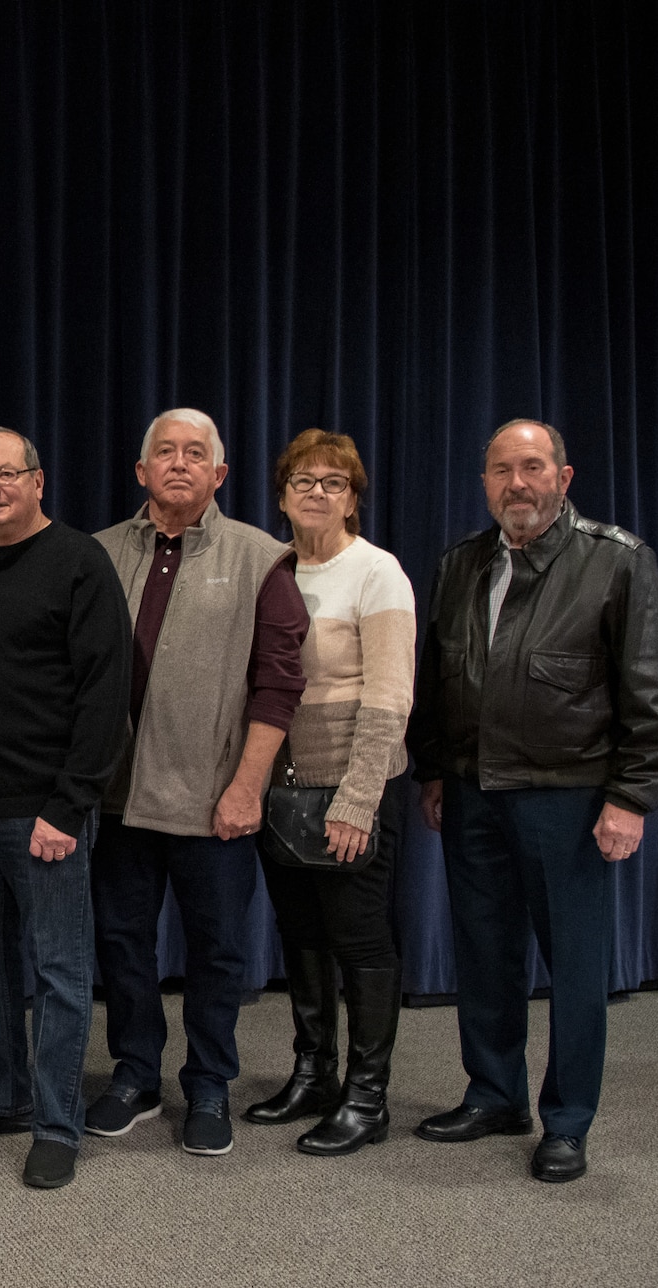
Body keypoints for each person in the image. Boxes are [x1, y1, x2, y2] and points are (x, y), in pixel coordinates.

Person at [411, 418, 658, 1184]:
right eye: (501, 470)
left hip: (569, 800)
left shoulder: (617, 561)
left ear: (564, 478)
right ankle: (495, 1093)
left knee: (575, 966)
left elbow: (654, 693)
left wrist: (631, 796)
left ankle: (567, 1119)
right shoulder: (462, 563)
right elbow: (438, 680)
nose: (517, 484)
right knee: (486, 955)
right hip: (473, 793)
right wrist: (434, 772)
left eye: (533, 467)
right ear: (486, 482)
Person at [89, 408, 309, 1156]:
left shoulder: (260, 557)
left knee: (216, 950)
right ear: (142, 471)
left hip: (215, 798)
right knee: (122, 943)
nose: (178, 463)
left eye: (196, 454)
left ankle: (210, 1080)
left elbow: (279, 685)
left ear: (218, 474)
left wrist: (247, 786)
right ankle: (135, 1073)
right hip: (118, 797)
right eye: (164, 452)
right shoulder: (97, 554)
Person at [0, 427, 132, 1189]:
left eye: (5, 473)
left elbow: (105, 696)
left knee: (57, 970)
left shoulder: (81, 563)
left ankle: (55, 1121)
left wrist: (69, 805)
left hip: (44, 812)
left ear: (38, 481)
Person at [243, 429, 414, 1156]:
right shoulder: (270, 568)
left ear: (353, 498)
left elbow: (390, 694)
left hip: (348, 791)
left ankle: (367, 1097)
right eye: (303, 480)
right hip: (278, 794)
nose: (317, 492)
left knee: (360, 942)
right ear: (281, 495)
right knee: (303, 939)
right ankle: (314, 1073)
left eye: (333, 482)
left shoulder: (377, 572)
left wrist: (356, 798)